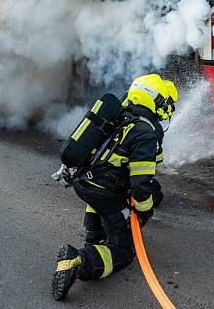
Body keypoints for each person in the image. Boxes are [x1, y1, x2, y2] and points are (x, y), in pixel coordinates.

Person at [52, 73, 179, 301]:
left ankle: (94, 233)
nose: (167, 112)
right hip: (103, 191)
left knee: (107, 197)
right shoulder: (144, 133)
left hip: (84, 182)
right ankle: (78, 261)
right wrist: (145, 210)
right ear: (156, 101)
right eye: (166, 105)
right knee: (123, 250)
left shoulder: (120, 115)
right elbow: (141, 185)